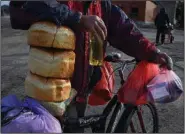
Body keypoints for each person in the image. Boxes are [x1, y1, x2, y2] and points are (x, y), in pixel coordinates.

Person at [9, 1, 173, 132]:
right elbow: (22, 7)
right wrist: (76, 19)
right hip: (50, 92)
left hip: (80, 91)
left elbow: (126, 31)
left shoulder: (103, 6)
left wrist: (153, 53)